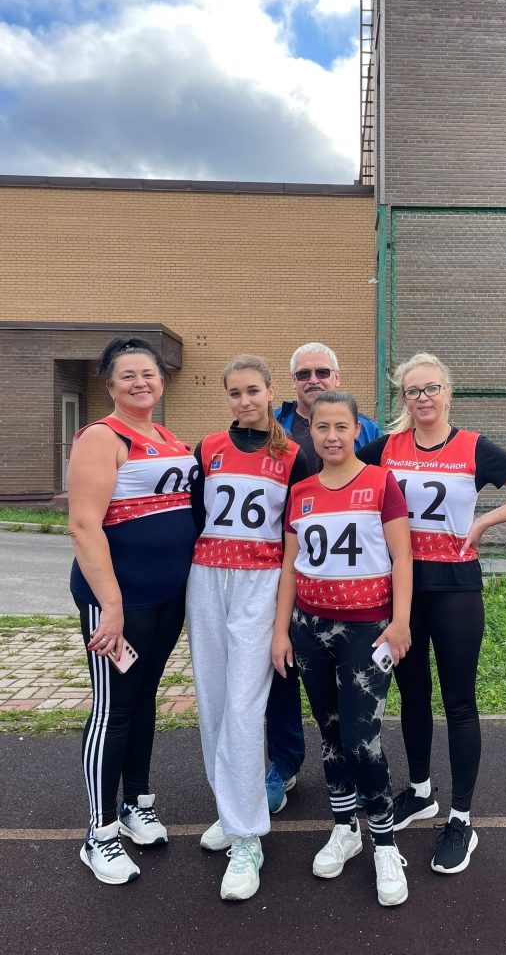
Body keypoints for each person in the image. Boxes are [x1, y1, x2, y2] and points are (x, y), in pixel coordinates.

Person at [357, 352, 506, 874]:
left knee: (459, 701)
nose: (423, 398)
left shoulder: (473, 446)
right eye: (413, 391)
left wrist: (485, 522)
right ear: (403, 399)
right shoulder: (385, 449)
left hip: (455, 588)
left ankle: (462, 818)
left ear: (448, 392)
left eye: (432, 388)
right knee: (412, 694)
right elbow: (343, 479)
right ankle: (420, 791)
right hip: (402, 589)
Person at [271, 390, 412, 906]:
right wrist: (281, 631)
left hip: (366, 631)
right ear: (310, 431)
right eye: (322, 427)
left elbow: (402, 556)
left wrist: (400, 622)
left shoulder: (380, 482)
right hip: (310, 629)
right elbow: (291, 566)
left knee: (362, 740)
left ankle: (384, 842)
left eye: (341, 427)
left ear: (357, 431)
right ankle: (344, 827)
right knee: (330, 734)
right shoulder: (301, 491)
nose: (331, 436)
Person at [68, 336, 198, 885]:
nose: (140, 382)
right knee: (113, 709)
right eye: (128, 376)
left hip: (166, 598)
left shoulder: (167, 437)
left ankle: (135, 804)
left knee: (143, 698)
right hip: (119, 602)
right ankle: (99, 834)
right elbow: (83, 526)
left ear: (161, 380)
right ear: (110, 386)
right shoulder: (102, 437)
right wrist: (111, 606)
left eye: (148, 373)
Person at [186, 356, 309, 901]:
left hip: (261, 582)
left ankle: (247, 839)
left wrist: (286, 613)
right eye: (234, 393)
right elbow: (195, 517)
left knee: (242, 706)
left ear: (270, 392)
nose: (244, 401)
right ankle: (233, 809)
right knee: (213, 702)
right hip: (207, 578)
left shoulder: (293, 455)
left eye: (253, 391)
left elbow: (296, 537)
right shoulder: (208, 448)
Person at [266, 342, 380, 813]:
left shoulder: (366, 427)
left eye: (322, 372)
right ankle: (284, 764)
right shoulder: (273, 427)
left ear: (337, 377)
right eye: (303, 374)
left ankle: (361, 769)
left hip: (352, 585)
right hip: (284, 565)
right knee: (283, 671)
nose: (313, 380)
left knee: (352, 696)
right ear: (292, 382)